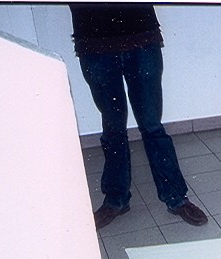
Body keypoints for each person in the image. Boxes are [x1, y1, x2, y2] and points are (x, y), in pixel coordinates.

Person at [69, 3, 208, 229]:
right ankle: (116, 200)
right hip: (94, 40)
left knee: (152, 125)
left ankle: (176, 198)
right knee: (113, 127)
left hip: (141, 35)